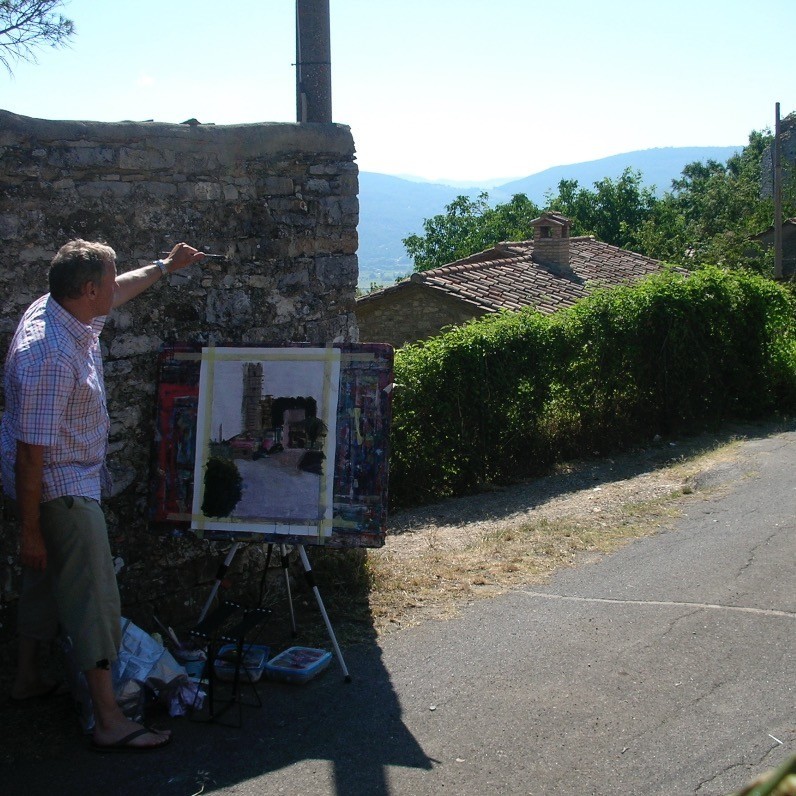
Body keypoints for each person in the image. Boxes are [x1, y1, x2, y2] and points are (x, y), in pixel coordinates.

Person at [1, 240, 205, 752]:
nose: (115, 289)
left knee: (44, 577)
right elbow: (32, 454)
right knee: (93, 597)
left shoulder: (64, 309)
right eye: (109, 282)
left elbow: (123, 289)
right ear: (88, 290)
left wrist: (165, 266)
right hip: (60, 487)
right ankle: (109, 718)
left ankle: (26, 676)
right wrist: (30, 530)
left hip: (54, 480)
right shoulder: (49, 355)